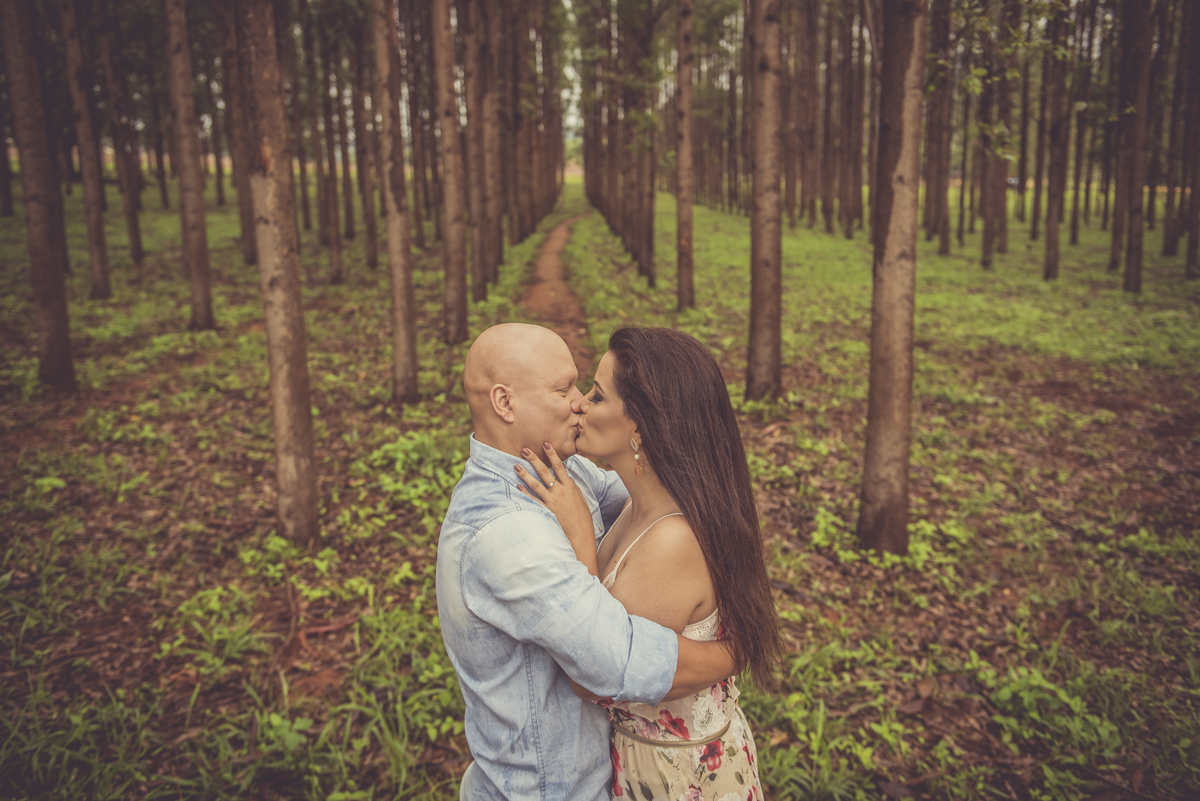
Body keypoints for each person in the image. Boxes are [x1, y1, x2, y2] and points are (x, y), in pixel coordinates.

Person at [437, 323, 741, 801]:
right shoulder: (505, 533)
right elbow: (612, 661)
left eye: (586, 390)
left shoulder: (558, 468)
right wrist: (736, 652)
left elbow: (648, 497)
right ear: (504, 402)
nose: (579, 403)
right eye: (564, 390)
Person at [516, 327, 782, 801]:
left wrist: (581, 539)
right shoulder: (644, 506)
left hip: (674, 777)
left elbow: (592, 676)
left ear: (641, 423)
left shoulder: (671, 542)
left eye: (597, 396)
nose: (579, 405)